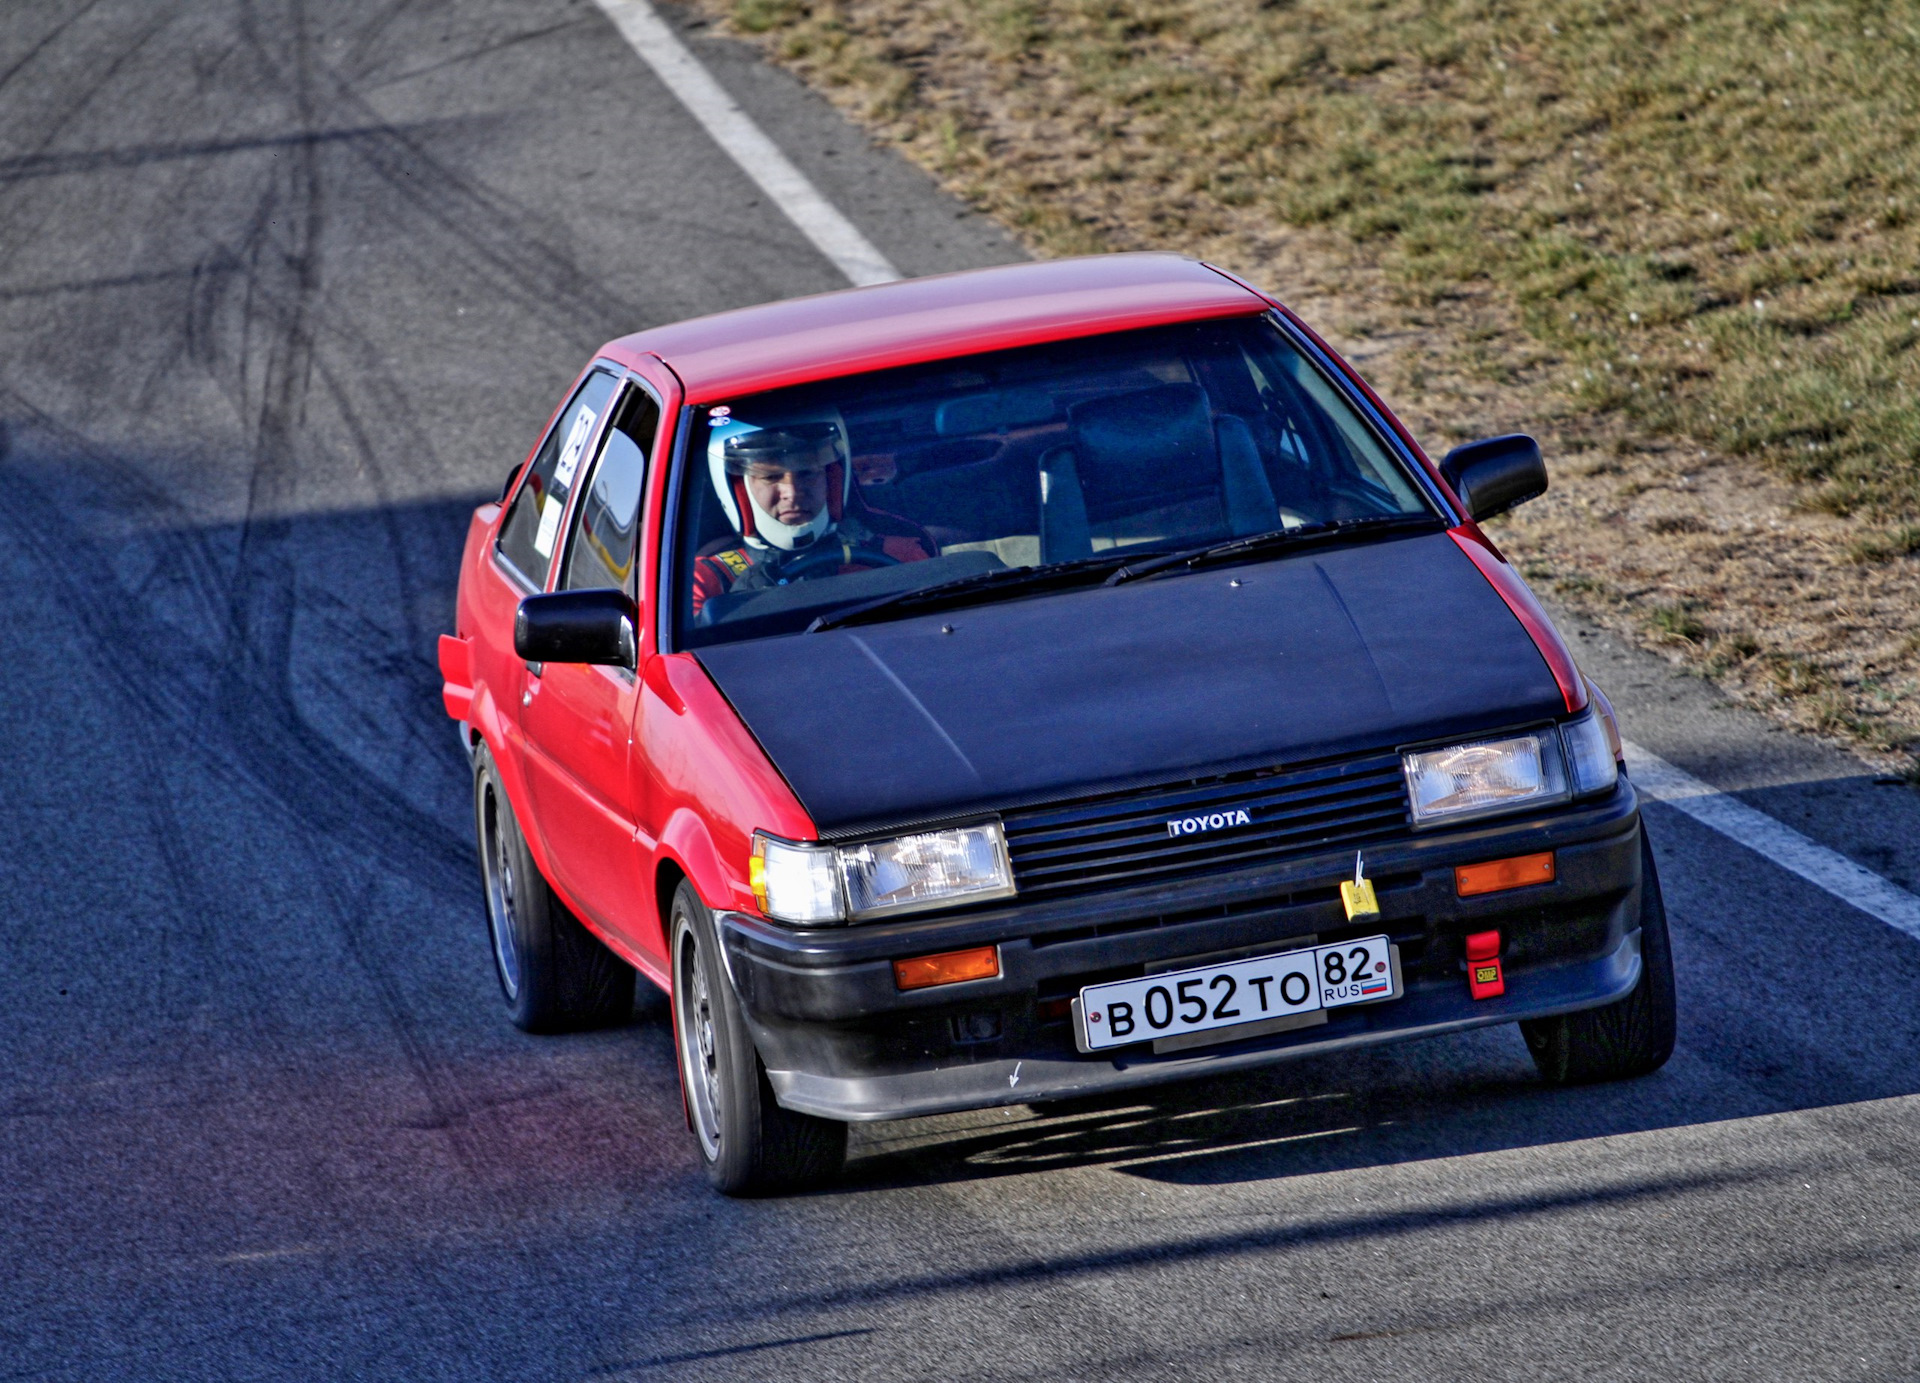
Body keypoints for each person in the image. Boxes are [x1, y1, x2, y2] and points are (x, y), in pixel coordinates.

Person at [691, 414, 933, 621]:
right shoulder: (707, 581)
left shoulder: (899, 556)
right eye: (771, 477)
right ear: (738, 489)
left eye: (807, 473)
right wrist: (737, 607)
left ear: (833, 480)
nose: (793, 493)